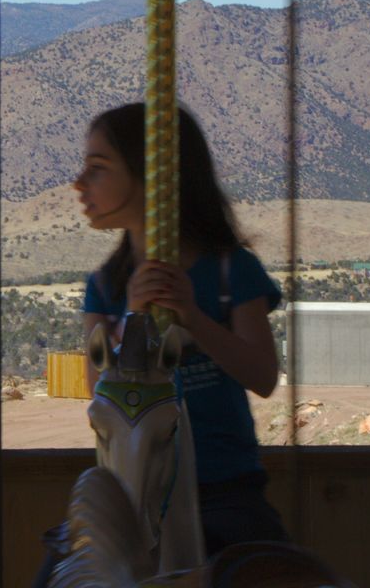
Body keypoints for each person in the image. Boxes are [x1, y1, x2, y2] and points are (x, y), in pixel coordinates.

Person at [34, 102, 287, 584]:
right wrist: (132, 314)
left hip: (225, 486)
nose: (79, 183)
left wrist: (194, 317)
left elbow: (263, 376)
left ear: (151, 174)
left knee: (267, 566)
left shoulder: (232, 271)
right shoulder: (105, 287)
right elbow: (97, 389)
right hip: (128, 495)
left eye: (98, 168)